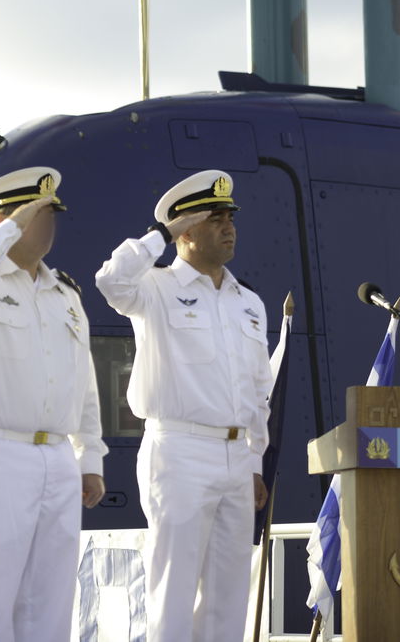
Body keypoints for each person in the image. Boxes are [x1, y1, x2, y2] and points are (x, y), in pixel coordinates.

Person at [94, 169, 272, 642]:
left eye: (231, 217)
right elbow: (111, 280)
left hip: (237, 458)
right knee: (173, 589)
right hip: (180, 449)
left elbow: (258, 391)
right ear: (186, 230)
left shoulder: (249, 303)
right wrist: (161, 235)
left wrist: (254, 459)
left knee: (228, 596)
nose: (229, 226)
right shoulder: (154, 288)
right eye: (215, 218)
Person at [0, 166, 107, 640]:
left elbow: (83, 384)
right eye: (36, 214)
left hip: (57, 457)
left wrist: (89, 457)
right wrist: (11, 226)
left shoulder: (65, 294)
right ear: (1, 222)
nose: (46, 224)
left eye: (50, 214)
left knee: (50, 604)